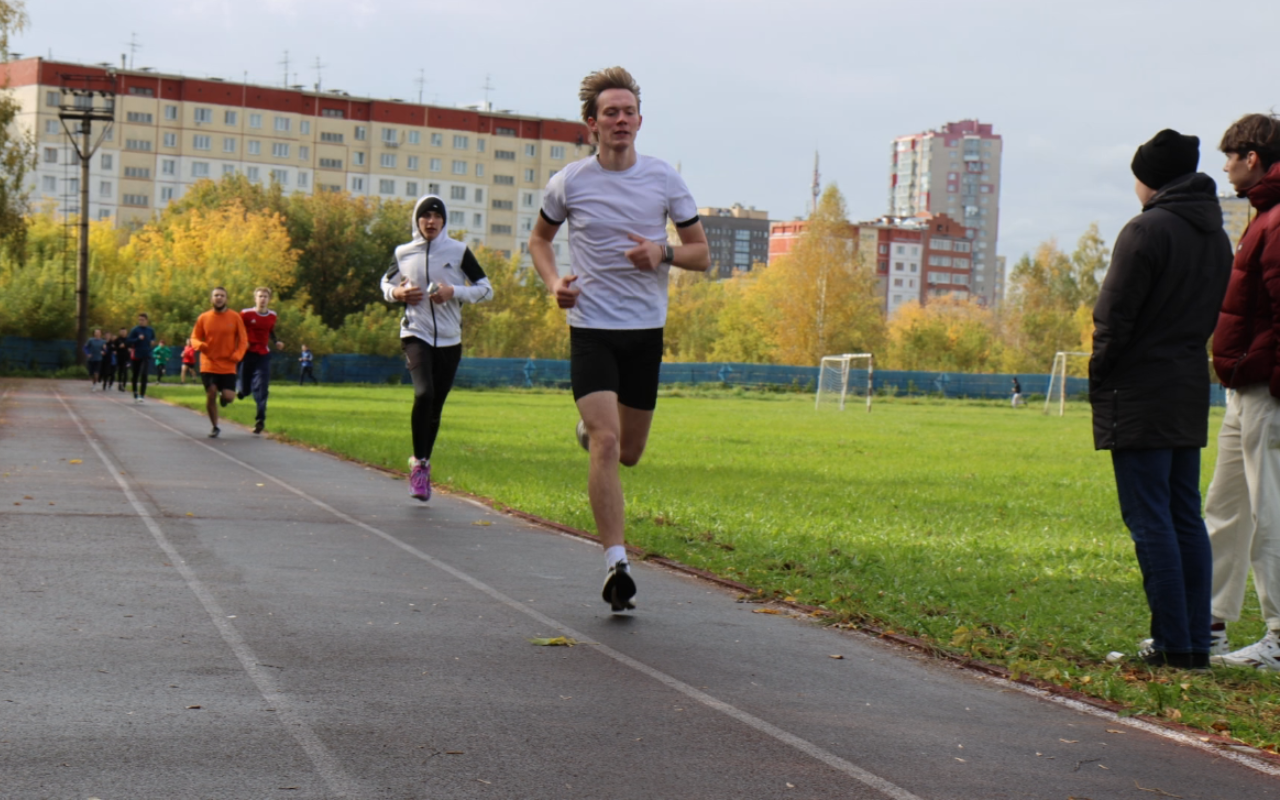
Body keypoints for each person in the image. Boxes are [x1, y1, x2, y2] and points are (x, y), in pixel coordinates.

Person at [528, 67, 708, 612]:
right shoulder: (570, 182)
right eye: (611, 112)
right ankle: (616, 563)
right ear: (592, 124)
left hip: (644, 332)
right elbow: (539, 240)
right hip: (591, 330)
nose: (621, 119)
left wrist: (664, 253)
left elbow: (702, 254)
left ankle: (589, 430)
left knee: (627, 451)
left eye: (628, 111)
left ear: (639, 121)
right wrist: (555, 282)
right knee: (607, 442)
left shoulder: (664, 180)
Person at [1090, 129, 1232, 669]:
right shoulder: (1215, 236)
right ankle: (1193, 641)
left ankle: (1172, 645)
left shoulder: (1145, 231)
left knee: (1150, 519)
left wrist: (1101, 376)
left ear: (1148, 177)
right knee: (1183, 516)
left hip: (1140, 390)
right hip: (1188, 385)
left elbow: (1113, 317)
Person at [1204, 113, 1280, 671]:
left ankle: (1278, 638)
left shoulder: (1277, 219)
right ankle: (1205, 625)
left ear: (1252, 157)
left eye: (1229, 156)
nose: (1225, 166)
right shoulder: (1264, 214)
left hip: (1266, 393)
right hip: (1242, 390)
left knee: (1270, 513)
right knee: (1225, 507)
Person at [381, 194, 493, 501]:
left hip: (449, 339)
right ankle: (419, 466)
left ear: (444, 221)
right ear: (417, 221)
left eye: (436, 216)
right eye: (425, 216)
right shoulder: (403, 252)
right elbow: (384, 284)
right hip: (415, 333)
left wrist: (453, 291)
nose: (431, 222)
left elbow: (486, 289)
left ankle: (423, 462)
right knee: (424, 394)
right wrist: (397, 292)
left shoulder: (458, 251)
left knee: (436, 406)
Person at [191, 287, 249, 438]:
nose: (219, 298)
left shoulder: (235, 317)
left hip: (228, 364)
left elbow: (243, 341)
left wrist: (238, 355)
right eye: (216, 295)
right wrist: (201, 345)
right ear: (211, 299)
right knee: (211, 392)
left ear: (226, 299)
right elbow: (194, 338)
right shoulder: (204, 317)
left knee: (229, 397)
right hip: (208, 363)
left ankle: (223, 398)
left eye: (222, 295)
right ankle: (215, 426)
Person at [237, 286, 285, 435]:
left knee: (262, 388)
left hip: (263, 354)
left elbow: (270, 329)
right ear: (255, 298)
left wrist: (276, 341)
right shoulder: (246, 314)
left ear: (269, 299)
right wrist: (242, 342)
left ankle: (260, 420)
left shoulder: (272, 315)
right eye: (260, 296)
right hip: (247, 354)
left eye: (265, 297)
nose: (263, 299)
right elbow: (237, 330)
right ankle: (243, 391)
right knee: (245, 389)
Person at [126, 313, 156, 404]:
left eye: (142, 320)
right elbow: (128, 341)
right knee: (135, 375)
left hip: (146, 355)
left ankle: (142, 395)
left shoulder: (150, 330)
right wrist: (137, 339)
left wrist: (152, 342)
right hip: (136, 356)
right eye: (139, 320)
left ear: (147, 320)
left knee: (144, 374)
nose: (141, 321)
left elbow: (153, 339)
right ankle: (135, 393)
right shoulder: (135, 330)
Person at [110, 328, 131, 393]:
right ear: (119, 332)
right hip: (119, 358)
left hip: (127, 358)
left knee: (125, 372)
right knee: (120, 371)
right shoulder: (117, 340)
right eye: (122, 332)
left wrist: (130, 349)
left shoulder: (129, 339)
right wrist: (118, 347)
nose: (123, 333)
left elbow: (132, 346)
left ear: (126, 332)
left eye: (124, 331)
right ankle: (120, 384)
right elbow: (113, 347)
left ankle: (123, 385)